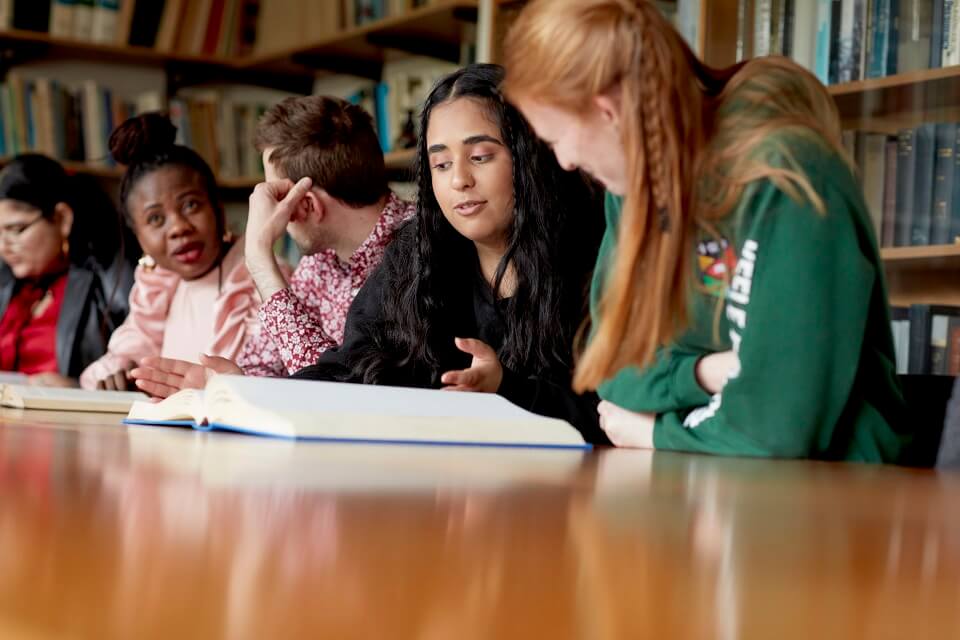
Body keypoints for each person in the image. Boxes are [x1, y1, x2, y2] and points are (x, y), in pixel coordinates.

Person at [502, 0, 910, 461]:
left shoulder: (786, 176)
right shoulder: (633, 190)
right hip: (704, 477)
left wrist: (654, 431)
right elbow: (609, 366)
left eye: (557, 138)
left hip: (835, 493)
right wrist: (706, 373)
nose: (566, 162)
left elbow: (776, 429)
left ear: (608, 111)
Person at [127, 95, 415, 395]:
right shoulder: (320, 264)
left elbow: (339, 390)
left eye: (272, 196)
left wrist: (260, 261)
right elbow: (264, 364)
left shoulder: (419, 252)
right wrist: (238, 385)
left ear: (305, 205)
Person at [79, 113, 263, 391]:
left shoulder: (261, 282)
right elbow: (125, 353)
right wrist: (122, 374)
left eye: (191, 205)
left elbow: (279, 383)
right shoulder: (157, 287)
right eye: (155, 219)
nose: (178, 227)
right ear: (139, 237)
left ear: (218, 209)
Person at [0, 154, 134, 386]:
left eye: (17, 229)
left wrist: (74, 386)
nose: (3, 246)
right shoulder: (8, 285)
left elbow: (127, 377)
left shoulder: (107, 284)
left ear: (62, 219)